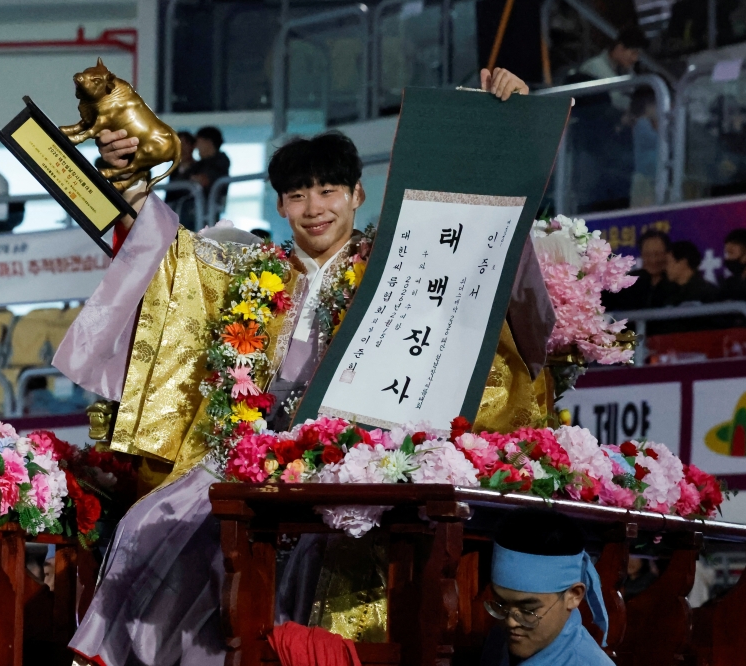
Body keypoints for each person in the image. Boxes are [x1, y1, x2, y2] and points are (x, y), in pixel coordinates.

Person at [57, 67, 545, 666]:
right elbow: (172, 259)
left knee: (318, 559)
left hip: (353, 461)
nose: (313, 208)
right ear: (280, 205)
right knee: (149, 523)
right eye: (296, 195)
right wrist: (131, 184)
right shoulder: (250, 270)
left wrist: (497, 123)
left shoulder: (396, 264)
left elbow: (479, 243)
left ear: (358, 195)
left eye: (328, 190)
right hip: (250, 453)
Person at [480, 508, 612, 665]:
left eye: (528, 610)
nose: (511, 622)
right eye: (501, 605)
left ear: (574, 595)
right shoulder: (499, 638)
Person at [577, 26, 649, 111]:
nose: (635, 59)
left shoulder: (626, 70)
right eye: (633, 53)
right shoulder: (594, 67)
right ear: (619, 48)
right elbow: (616, 101)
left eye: (638, 55)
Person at [603, 230, 678, 311]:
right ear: (641, 255)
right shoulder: (630, 281)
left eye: (658, 254)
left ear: (667, 254)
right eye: (647, 255)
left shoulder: (675, 281)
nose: (653, 260)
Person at [191, 126, 231, 220]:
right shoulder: (199, 164)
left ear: (208, 142)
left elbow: (205, 180)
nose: (196, 146)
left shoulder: (220, 161)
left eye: (198, 141)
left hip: (205, 212)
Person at [629, 88, 659, 209]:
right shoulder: (642, 124)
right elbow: (655, 141)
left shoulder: (648, 124)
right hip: (643, 178)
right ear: (648, 106)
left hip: (651, 177)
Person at [665, 241, 719, 305]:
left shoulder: (707, 293)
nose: (665, 268)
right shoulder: (669, 294)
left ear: (683, 263)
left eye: (668, 262)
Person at [164, 131, 198, 229]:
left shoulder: (198, 167)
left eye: (185, 144)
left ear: (193, 146)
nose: (183, 149)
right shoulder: (173, 170)